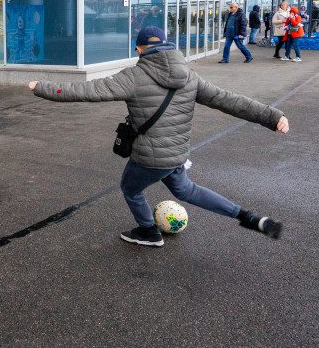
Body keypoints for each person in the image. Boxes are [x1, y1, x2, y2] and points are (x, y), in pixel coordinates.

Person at [28, 26, 288, 247]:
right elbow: (228, 100)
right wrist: (272, 116)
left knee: (130, 189)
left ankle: (148, 232)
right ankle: (248, 216)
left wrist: (41, 87)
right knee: (187, 190)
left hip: (151, 158)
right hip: (176, 154)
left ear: (139, 49)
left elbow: (85, 90)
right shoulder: (189, 76)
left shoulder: (133, 76)